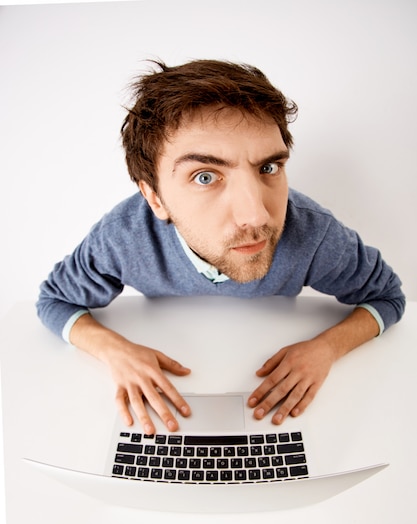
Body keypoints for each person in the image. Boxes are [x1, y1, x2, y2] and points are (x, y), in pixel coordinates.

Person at [36, 59, 405, 434]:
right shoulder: (122, 238)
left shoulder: (314, 234)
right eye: (206, 176)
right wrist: (113, 350)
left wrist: (327, 348)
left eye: (268, 168)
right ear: (154, 197)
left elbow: (388, 297)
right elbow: (54, 301)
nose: (256, 216)